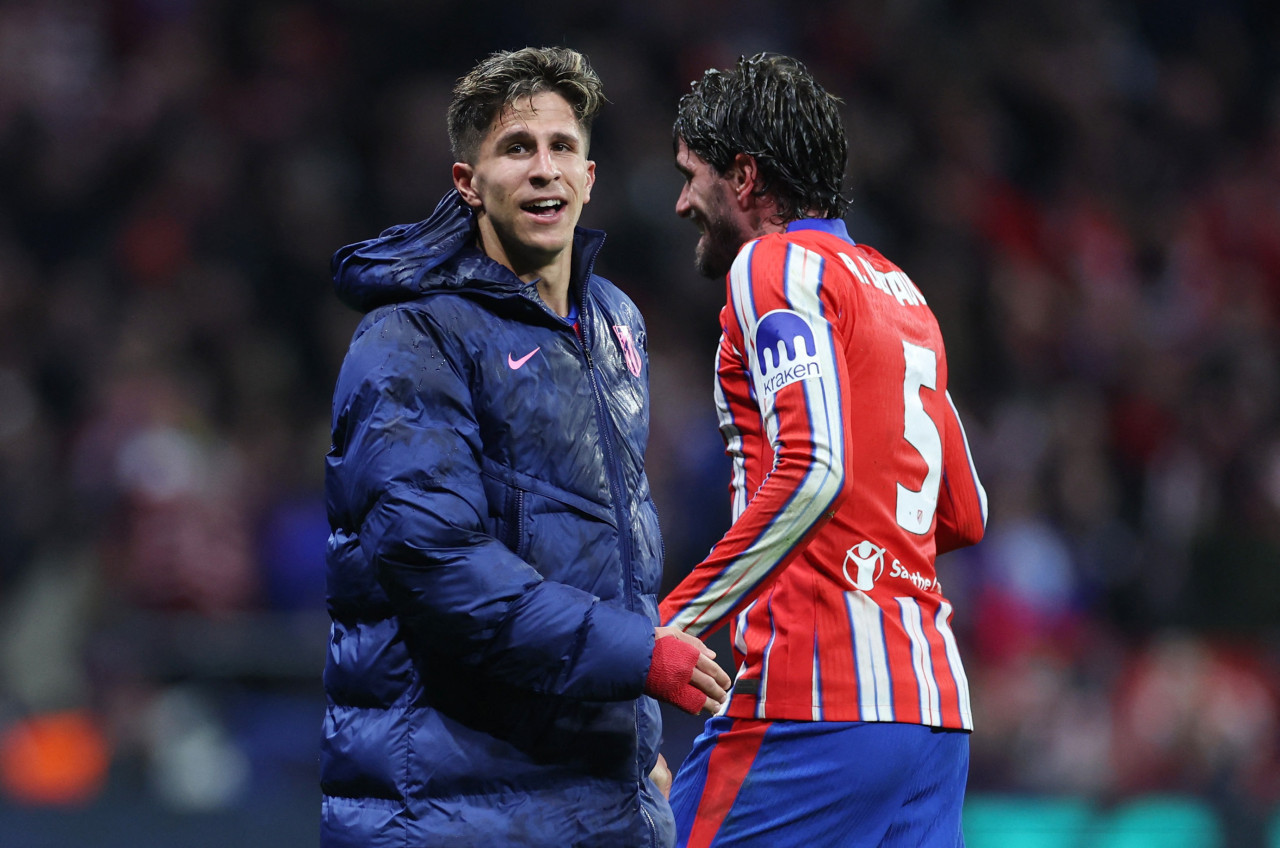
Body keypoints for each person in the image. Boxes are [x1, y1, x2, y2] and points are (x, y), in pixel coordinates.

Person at [321, 46, 730, 848]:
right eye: (516, 149)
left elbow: (605, 551)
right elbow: (441, 568)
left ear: (590, 176)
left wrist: (629, 742)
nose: (543, 169)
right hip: (447, 805)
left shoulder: (616, 325)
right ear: (466, 183)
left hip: (586, 796)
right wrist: (638, 660)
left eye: (561, 148)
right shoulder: (410, 336)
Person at [660, 53, 989, 847]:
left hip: (814, 704)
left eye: (691, 175)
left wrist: (671, 623)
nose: (679, 203)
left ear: (743, 179)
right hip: (934, 716)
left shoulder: (772, 265)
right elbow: (967, 512)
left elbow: (816, 468)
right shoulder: (900, 293)